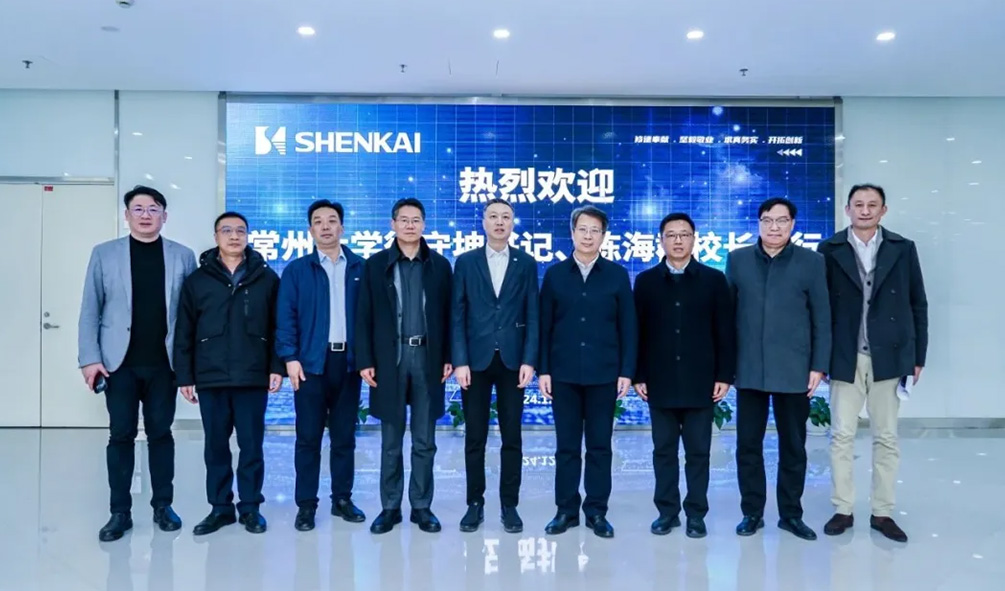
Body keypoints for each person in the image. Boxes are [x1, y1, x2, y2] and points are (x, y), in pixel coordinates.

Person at [78, 185, 197, 542]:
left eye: (153, 209)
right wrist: (90, 359)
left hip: (164, 365)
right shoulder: (104, 254)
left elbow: (191, 315)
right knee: (121, 435)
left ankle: (163, 506)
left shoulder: (183, 256)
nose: (146, 215)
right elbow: (90, 309)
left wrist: (189, 365)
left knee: (161, 434)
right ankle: (120, 512)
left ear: (164, 216)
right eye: (139, 209)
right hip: (119, 365)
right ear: (127, 215)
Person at [818, 184, 927, 543]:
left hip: (890, 354)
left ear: (883, 210)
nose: (865, 210)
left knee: (886, 436)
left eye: (872, 205)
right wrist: (820, 357)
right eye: (858, 204)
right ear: (847, 209)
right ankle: (843, 508)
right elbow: (820, 308)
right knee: (841, 436)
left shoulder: (903, 248)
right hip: (844, 354)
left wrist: (918, 356)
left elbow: (917, 303)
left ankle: (882, 512)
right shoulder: (829, 249)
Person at [726, 197, 830, 541]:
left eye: (782, 221)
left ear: (792, 225)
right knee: (748, 446)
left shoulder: (812, 262)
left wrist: (818, 365)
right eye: (768, 220)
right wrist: (726, 367)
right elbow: (726, 316)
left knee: (793, 447)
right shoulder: (738, 260)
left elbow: (822, 317)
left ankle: (791, 514)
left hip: (794, 369)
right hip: (749, 369)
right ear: (758, 223)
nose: (774, 227)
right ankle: (752, 513)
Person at [173, 212, 283, 535]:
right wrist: (184, 375)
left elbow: (278, 327)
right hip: (211, 376)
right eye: (227, 230)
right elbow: (184, 330)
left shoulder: (266, 278)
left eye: (240, 231)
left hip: (252, 376)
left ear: (248, 236)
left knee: (252, 446)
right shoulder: (197, 281)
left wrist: (276, 367)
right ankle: (220, 508)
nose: (234, 236)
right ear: (216, 236)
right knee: (216, 446)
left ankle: (250, 508)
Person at [633, 213, 735, 539]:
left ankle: (696, 513)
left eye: (684, 234)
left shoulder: (713, 280)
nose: (678, 240)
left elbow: (725, 331)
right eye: (671, 235)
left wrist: (724, 375)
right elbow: (638, 332)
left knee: (698, 453)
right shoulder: (646, 281)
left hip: (700, 381)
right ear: (661, 240)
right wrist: (638, 375)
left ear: (694, 238)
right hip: (659, 381)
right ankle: (667, 512)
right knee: (663, 451)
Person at [356, 197, 453, 535]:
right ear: (393, 224)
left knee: (425, 440)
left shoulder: (440, 265)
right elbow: (363, 315)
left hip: (428, 359)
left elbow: (450, 316)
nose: (410, 226)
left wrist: (449, 356)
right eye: (404, 220)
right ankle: (390, 507)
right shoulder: (375, 265)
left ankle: (422, 506)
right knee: (391, 441)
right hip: (390, 361)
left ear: (424, 225)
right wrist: (365, 360)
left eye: (416, 220)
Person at [539, 205, 637, 539]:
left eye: (595, 230)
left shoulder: (617, 275)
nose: (588, 235)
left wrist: (626, 371)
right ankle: (565, 510)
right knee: (566, 447)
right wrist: (544, 370)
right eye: (583, 229)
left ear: (603, 236)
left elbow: (628, 327)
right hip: (563, 374)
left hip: (604, 374)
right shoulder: (555, 275)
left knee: (599, 446)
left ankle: (596, 511)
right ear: (572, 232)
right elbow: (544, 326)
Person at [275, 199, 367, 532]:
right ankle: (306, 505)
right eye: (318, 221)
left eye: (331, 220)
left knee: (344, 437)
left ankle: (342, 499)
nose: (325, 226)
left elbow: (372, 319)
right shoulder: (297, 270)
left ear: (342, 227)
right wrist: (290, 357)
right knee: (308, 438)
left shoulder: (361, 268)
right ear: (310, 229)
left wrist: (367, 360)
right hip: (310, 364)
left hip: (349, 364)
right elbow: (285, 317)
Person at [452, 198, 539, 534]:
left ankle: (509, 505)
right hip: (475, 362)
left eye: (505, 217)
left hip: (513, 361)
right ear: (483, 222)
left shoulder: (526, 263)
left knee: (512, 436)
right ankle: (474, 504)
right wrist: (460, 360)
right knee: (475, 436)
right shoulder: (466, 262)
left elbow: (533, 314)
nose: (499, 222)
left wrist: (530, 359)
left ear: (513, 223)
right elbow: (457, 314)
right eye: (493, 216)